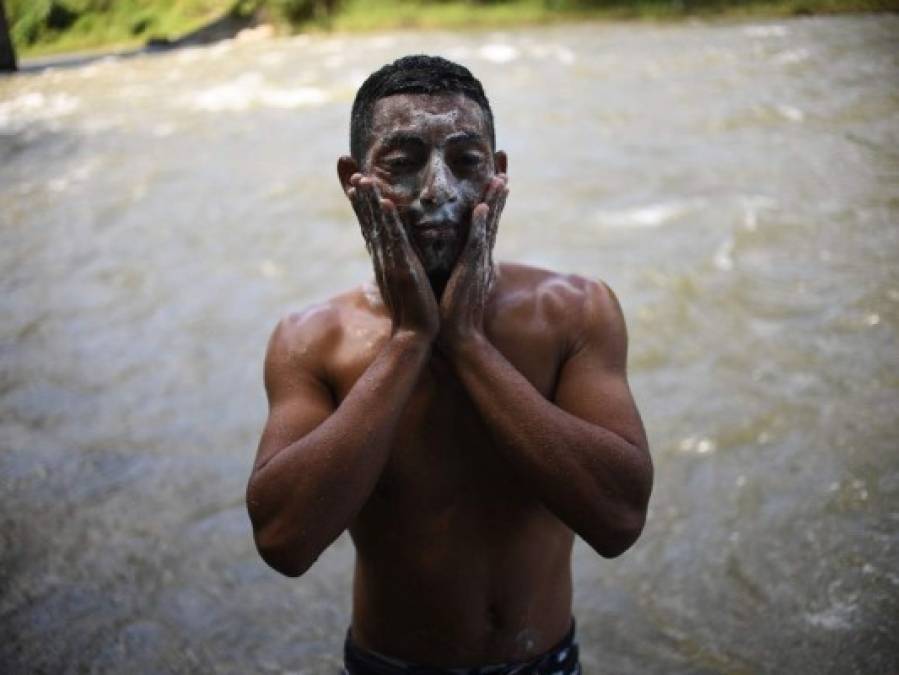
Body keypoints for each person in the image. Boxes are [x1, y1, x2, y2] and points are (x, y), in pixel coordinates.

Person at [246, 55, 653, 674]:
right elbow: (284, 542)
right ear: (353, 179)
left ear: (500, 174)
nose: (437, 190)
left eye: (466, 162)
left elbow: (619, 521)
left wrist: (467, 343)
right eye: (403, 163)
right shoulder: (314, 340)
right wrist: (410, 340)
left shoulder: (573, 312)